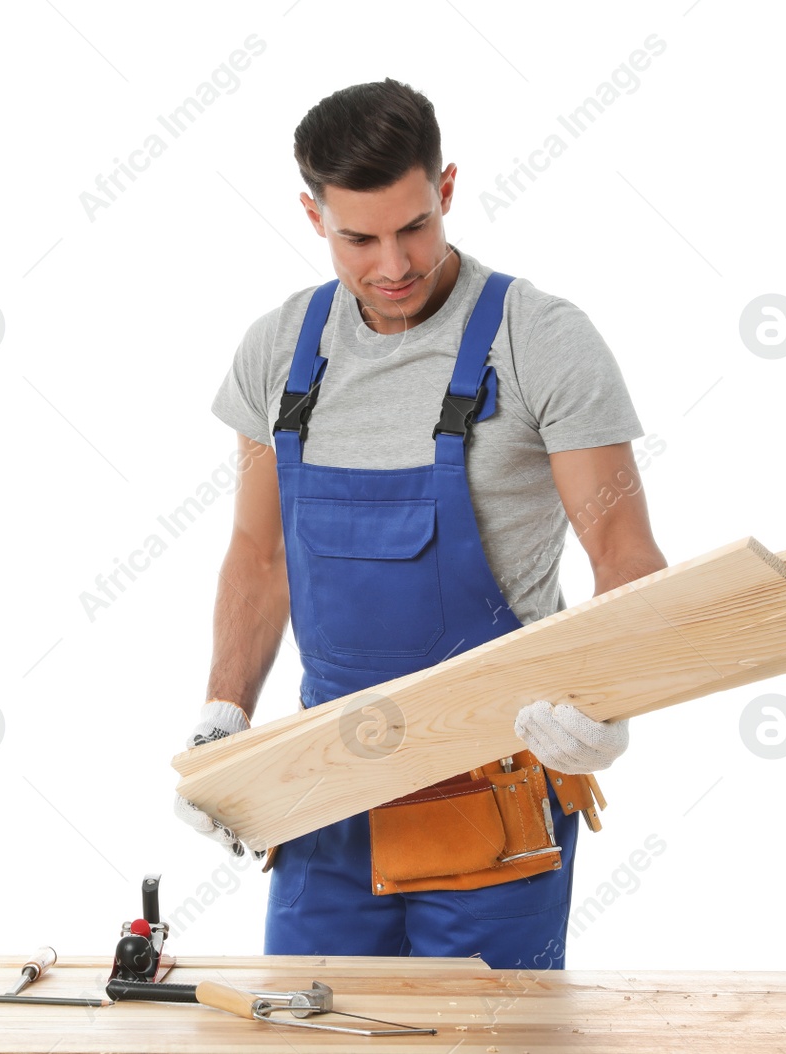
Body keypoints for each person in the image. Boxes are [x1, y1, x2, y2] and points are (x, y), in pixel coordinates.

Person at [174, 78, 667, 968]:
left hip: (493, 790)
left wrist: (607, 704)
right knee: (304, 1029)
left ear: (444, 190)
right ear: (312, 213)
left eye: (414, 227)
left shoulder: (540, 339)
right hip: (323, 792)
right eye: (357, 238)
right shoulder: (280, 349)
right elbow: (259, 556)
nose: (393, 264)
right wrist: (224, 718)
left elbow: (624, 552)